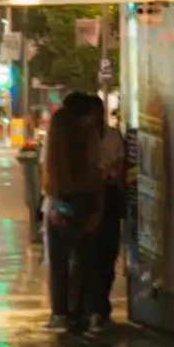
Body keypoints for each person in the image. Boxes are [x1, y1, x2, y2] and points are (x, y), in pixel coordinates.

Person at [40, 95, 105, 334]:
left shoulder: (55, 139)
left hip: (60, 201)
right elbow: (96, 171)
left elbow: (46, 176)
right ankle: (90, 314)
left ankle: (60, 314)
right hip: (85, 200)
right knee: (88, 260)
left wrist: (54, 205)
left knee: (58, 261)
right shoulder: (88, 133)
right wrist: (98, 208)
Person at [87, 98, 126, 329]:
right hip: (90, 196)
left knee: (106, 254)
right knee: (90, 255)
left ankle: (101, 306)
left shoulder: (112, 136)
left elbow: (120, 166)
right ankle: (92, 307)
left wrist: (110, 174)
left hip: (108, 195)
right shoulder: (81, 139)